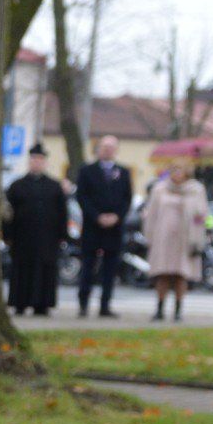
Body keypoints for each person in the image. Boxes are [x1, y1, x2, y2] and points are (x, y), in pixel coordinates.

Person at [2, 144, 68, 316]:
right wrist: (7, 235)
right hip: (22, 238)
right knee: (22, 270)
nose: (36, 163)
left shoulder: (54, 186)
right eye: (33, 159)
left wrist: (62, 235)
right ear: (29, 161)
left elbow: (62, 213)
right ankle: (19, 303)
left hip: (48, 238)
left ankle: (42, 304)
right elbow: (8, 213)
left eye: (40, 160)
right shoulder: (17, 186)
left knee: (45, 270)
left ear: (45, 162)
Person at [142, 159, 209, 323]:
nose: (177, 173)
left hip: (185, 238)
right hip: (163, 237)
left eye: (180, 170)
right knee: (162, 274)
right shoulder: (160, 189)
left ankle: (178, 309)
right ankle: (159, 308)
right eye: (174, 170)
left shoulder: (196, 190)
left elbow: (201, 216)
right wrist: (149, 236)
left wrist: (199, 234)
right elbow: (151, 215)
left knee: (181, 274)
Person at [75, 135, 133, 319]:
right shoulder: (86, 171)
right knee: (88, 267)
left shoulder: (123, 172)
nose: (107, 150)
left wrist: (116, 216)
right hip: (93, 227)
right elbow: (82, 197)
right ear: (98, 148)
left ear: (116, 150)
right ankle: (83, 304)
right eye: (104, 147)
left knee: (110, 269)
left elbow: (127, 198)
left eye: (111, 147)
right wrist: (97, 216)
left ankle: (105, 305)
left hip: (114, 229)